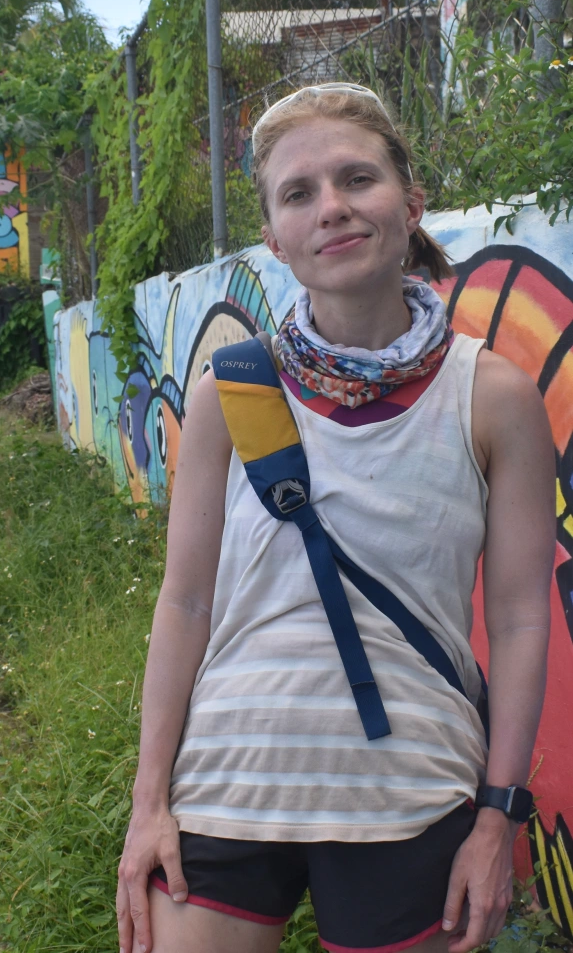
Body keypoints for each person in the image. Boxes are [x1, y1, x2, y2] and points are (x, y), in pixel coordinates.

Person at [116, 83, 554, 953]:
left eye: (357, 178)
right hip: (224, 787)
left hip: (412, 796)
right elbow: (184, 605)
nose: (333, 208)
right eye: (298, 193)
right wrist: (148, 803)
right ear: (274, 240)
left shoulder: (492, 397)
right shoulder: (228, 392)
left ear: (410, 200)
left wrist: (496, 815)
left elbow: (517, 618)